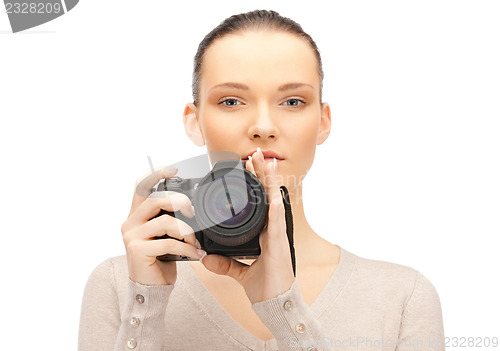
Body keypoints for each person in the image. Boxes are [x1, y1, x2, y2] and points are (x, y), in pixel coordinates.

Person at [78, 9, 444, 351]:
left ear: (323, 121)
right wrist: (147, 304)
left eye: (293, 102)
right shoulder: (117, 284)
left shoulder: (403, 298)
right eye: (232, 102)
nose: (264, 127)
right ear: (194, 122)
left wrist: (284, 309)